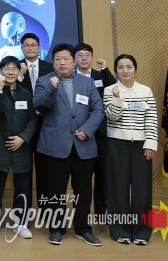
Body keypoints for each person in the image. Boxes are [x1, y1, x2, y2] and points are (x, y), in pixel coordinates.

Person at [33, 43, 104, 246]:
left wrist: (87, 129)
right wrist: (52, 88)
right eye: (58, 59)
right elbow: (39, 105)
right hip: (55, 146)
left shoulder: (87, 82)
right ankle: (56, 228)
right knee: (55, 191)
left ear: (73, 61)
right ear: (53, 62)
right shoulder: (44, 81)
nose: (62, 63)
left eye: (66, 59)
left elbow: (98, 109)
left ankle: (83, 229)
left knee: (83, 191)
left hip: (83, 145)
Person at [103, 54, 158, 245]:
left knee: (142, 189)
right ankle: (120, 230)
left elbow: (151, 118)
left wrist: (150, 143)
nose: (125, 71)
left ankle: (142, 231)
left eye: (129, 67)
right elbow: (111, 117)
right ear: (116, 70)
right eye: (120, 67)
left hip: (141, 145)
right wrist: (117, 99)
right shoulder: (110, 90)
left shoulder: (145, 90)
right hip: (116, 144)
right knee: (117, 188)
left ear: (135, 69)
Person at [0, 55, 37, 240]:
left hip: (21, 148)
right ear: (0, 71)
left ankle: (21, 223)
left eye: (14, 69)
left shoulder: (26, 93)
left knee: (23, 188)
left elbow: (33, 119)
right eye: (6, 68)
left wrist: (23, 138)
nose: (10, 72)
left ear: (19, 71)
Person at [74, 43, 116, 215]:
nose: (84, 58)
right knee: (82, 177)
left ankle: (101, 210)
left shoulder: (100, 75)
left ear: (92, 57)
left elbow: (114, 88)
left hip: (101, 132)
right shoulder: (69, 77)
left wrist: (105, 69)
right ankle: (81, 214)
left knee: (103, 173)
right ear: (74, 58)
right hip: (80, 132)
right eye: (80, 55)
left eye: (87, 55)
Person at [17, 32, 53, 208]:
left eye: (33, 45)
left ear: (39, 48)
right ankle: (24, 210)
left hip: (46, 124)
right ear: (21, 48)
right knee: (24, 170)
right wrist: (20, 76)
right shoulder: (16, 67)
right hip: (23, 126)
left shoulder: (50, 67)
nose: (30, 48)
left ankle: (45, 207)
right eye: (26, 45)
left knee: (45, 168)